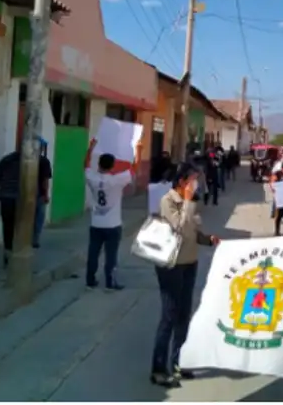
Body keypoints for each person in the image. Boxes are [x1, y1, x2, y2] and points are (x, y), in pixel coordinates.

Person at [151, 162, 220, 388]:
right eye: (193, 179)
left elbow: (193, 230)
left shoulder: (191, 203)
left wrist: (208, 240)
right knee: (169, 316)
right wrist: (188, 202)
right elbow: (179, 227)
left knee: (183, 315)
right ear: (182, 182)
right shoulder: (167, 201)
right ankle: (159, 368)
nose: (197, 183)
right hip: (171, 265)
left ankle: (179, 362)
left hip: (189, 263)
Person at [0, 139, 53, 267]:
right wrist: (44, 195)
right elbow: (40, 181)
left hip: (6, 197)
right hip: (22, 199)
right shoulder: (33, 161)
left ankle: (8, 252)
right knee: (23, 227)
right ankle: (22, 253)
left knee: (8, 226)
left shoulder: (6, 160)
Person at [85, 146, 138, 290]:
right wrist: (138, 150)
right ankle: (110, 282)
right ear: (112, 166)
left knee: (93, 252)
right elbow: (133, 170)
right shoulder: (117, 180)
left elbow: (86, 165)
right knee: (111, 255)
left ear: (99, 164)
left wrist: (91, 148)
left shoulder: (92, 178)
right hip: (113, 224)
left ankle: (90, 280)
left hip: (96, 223)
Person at [32, 138, 53, 248]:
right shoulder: (44, 161)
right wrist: (46, 194)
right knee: (39, 217)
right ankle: (35, 239)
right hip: (39, 193)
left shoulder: (26, 159)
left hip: (27, 192)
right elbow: (45, 180)